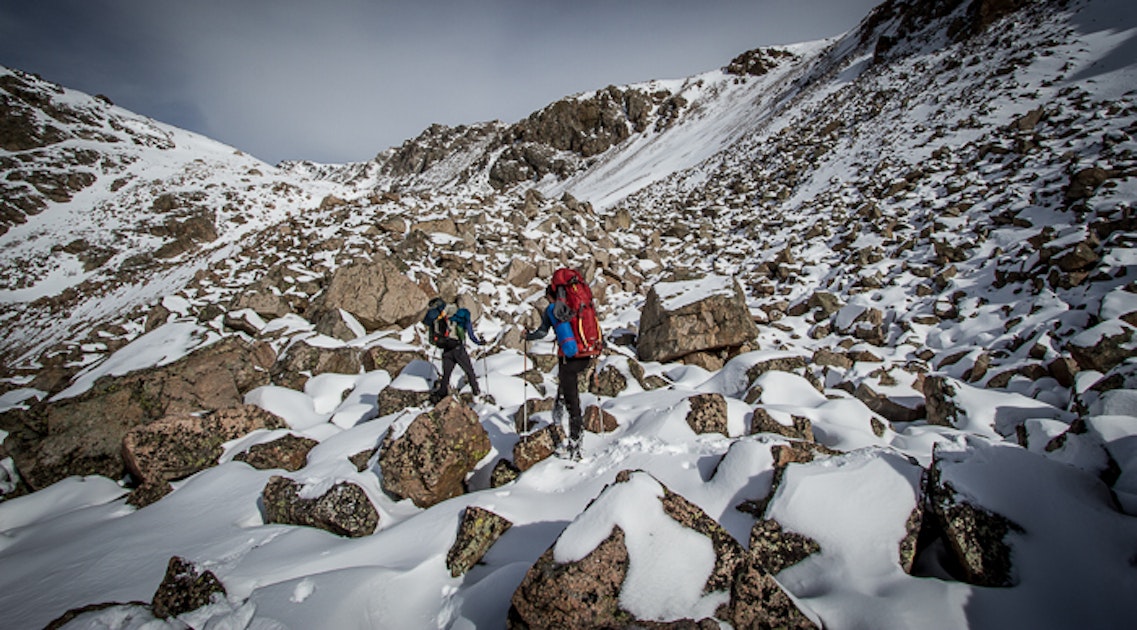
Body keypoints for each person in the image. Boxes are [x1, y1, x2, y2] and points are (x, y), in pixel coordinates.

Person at [525, 283, 597, 458]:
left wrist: (527, 336)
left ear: (551, 296)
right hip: (586, 355)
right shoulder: (577, 306)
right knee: (564, 391)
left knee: (573, 403)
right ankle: (557, 420)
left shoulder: (552, 309)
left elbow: (542, 332)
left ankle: (575, 447)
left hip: (568, 359)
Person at [424, 297, 484, 401]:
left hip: (446, 349)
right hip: (458, 349)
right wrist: (479, 342)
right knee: (469, 371)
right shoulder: (461, 315)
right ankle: (476, 392)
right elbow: (471, 334)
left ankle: (442, 394)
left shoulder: (441, 316)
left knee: (446, 375)